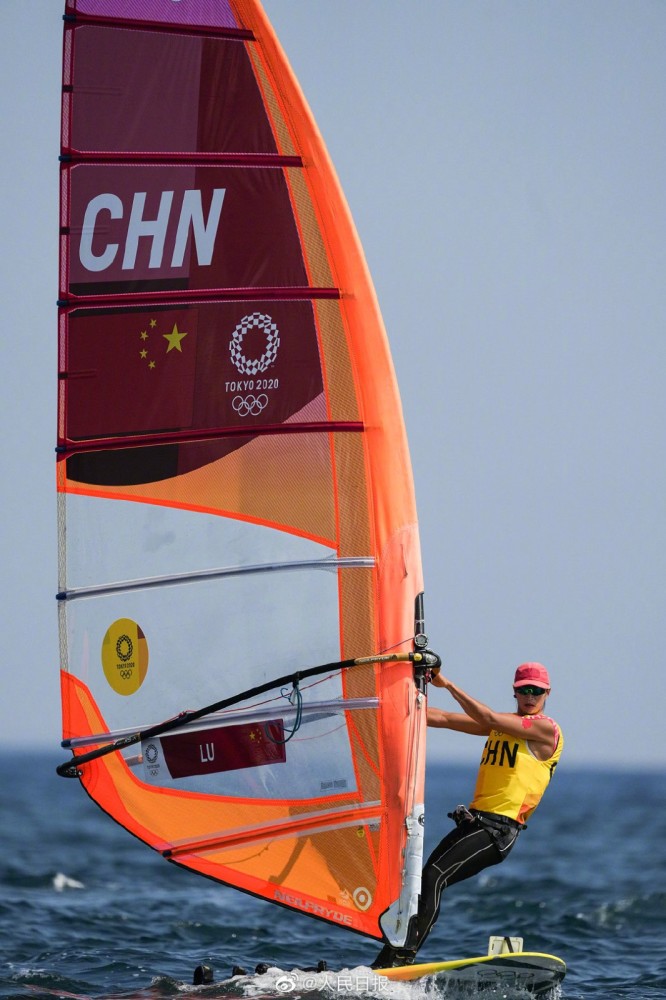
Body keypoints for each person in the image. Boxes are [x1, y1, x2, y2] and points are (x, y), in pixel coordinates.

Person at [371, 661, 563, 969]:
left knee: (435, 877)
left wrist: (445, 684)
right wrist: (390, 708)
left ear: (547, 693)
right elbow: (445, 718)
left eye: (536, 692)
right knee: (420, 881)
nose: (530, 696)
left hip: (498, 831)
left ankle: (405, 955)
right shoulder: (504, 724)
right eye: (524, 690)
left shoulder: (545, 730)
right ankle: (385, 963)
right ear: (515, 692)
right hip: (476, 823)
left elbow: (485, 716)